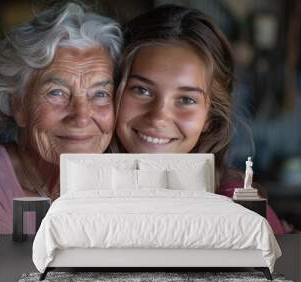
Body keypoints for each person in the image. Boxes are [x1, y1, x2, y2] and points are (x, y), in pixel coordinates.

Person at [0, 2, 123, 234]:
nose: (82, 116)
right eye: (56, 92)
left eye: (100, 94)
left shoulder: (123, 182)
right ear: (18, 105)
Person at [113, 4, 285, 234]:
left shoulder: (239, 211)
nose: (158, 117)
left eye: (185, 100)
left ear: (209, 117)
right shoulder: (76, 196)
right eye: (141, 90)